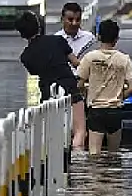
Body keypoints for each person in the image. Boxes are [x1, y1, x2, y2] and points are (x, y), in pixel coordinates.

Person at [15, 11, 86, 146]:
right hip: (70, 89)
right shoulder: (58, 40)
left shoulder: (25, 56)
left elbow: (35, 72)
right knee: (80, 131)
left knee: (51, 134)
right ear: (39, 26)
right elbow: (76, 63)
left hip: (48, 93)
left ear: (21, 33)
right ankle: (78, 160)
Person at [76, 19, 132, 155]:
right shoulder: (124, 59)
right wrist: (120, 96)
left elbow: (79, 84)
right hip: (115, 111)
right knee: (114, 155)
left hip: (96, 110)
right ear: (116, 39)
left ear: (98, 36)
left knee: (94, 154)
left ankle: (97, 176)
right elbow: (131, 88)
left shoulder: (89, 58)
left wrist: (88, 94)